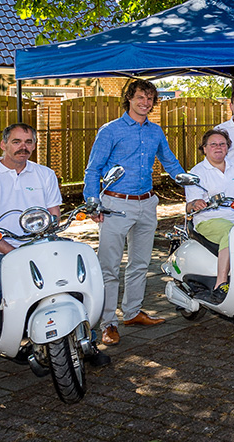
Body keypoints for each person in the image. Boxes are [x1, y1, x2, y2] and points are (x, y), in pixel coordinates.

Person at [0, 124, 108, 410]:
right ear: (3, 144)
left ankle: (86, 339)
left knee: (72, 283)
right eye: (17, 141)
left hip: (39, 244)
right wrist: (11, 251)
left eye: (29, 142)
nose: (24, 146)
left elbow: (54, 214)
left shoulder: (44, 174)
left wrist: (50, 229)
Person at [85, 79, 186, 346]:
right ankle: (108, 323)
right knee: (109, 268)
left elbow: (170, 162)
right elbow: (93, 169)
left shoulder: (155, 131)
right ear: (129, 98)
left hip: (147, 203)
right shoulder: (110, 130)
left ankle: (132, 312)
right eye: (140, 97)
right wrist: (92, 202)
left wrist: (190, 181)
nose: (145, 102)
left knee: (140, 263)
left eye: (150, 98)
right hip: (116, 204)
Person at [184, 129, 234, 305]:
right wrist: (195, 204)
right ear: (204, 148)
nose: (218, 147)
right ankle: (221, 283)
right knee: (233, 233)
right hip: (209, 219)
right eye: (213, 144)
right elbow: (189, 205)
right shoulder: (197, 172)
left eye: (222, 144)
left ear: (228, 147)